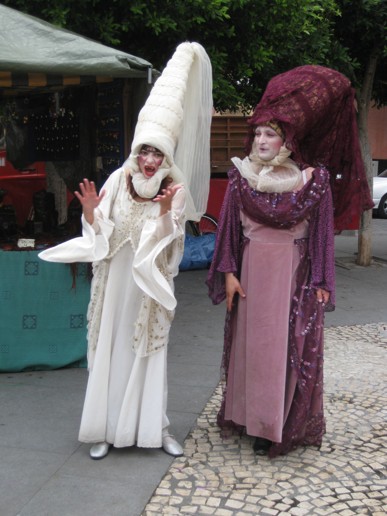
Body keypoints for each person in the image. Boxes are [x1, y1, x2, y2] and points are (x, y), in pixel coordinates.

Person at [39, 42, 213, 460]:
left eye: (159, 152)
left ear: (168, 155)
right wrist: (90, 214)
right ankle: (105, 427)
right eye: (145, 150)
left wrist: (168, 214)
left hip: (148, 288)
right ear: (136, 151)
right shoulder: (119, 178)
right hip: (116, 282)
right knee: (111, 352)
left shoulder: (175, 187)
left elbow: (173, 245)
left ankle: (156, 427)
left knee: (149, 354)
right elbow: (102, 234)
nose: (151, 160)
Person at [207, 65, 373, 458]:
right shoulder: (240, 178)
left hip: (292, 277)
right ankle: (249, 416)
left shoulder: (311, 181)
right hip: (250, 276)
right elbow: (228, 230)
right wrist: (229, 273)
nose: (261, 140)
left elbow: (320, 237)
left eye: (271, 134)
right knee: (252, 346)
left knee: (284, 348)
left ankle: (275, 423)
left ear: (286, 140)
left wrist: (320, 280)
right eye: (258, 133)